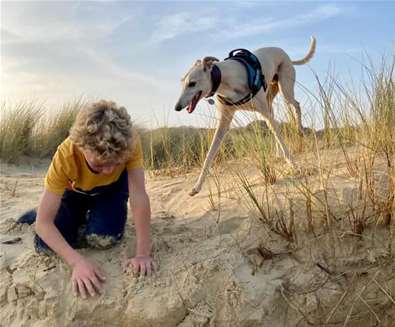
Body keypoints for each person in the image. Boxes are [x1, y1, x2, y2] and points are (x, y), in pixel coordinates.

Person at [19, 100, 153, 298]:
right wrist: (77, 262)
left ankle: (90, 217)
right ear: (81, 148)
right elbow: (44, 225)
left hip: (111, 191)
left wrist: (142, 254)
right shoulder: (66, 155)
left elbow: (139, 197)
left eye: (116, 162)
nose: (108, 170)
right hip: (74, 192)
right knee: (46, 245)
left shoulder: (129, 141)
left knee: (104, 239)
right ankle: (42, 209)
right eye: (99, 165)